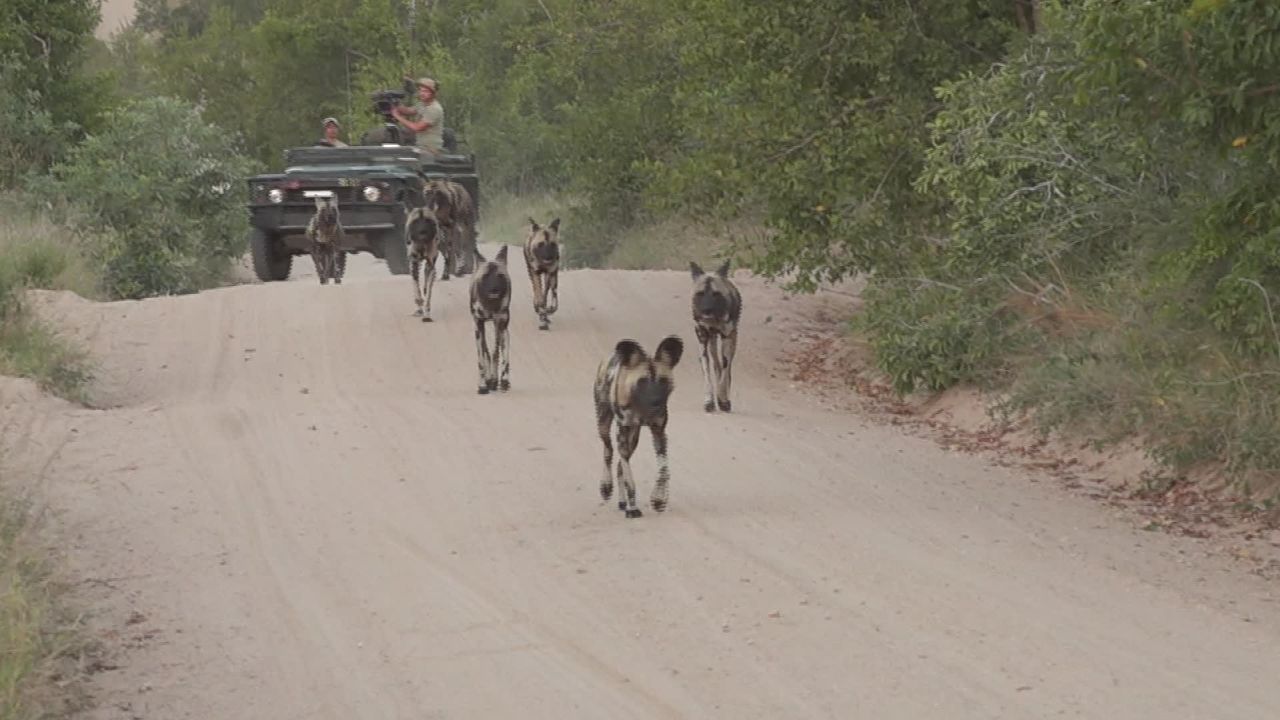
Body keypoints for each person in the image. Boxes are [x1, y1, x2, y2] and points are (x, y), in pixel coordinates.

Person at [391, 77, 445, 154]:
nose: (422, 93)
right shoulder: (423, 104)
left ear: (433, 93)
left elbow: (417, 128)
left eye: (425, 91)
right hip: (421, 147)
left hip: (430, 150)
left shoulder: (434, 108)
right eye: (420, 90)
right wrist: (395, 104)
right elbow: (408, 111)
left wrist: (397, 116)